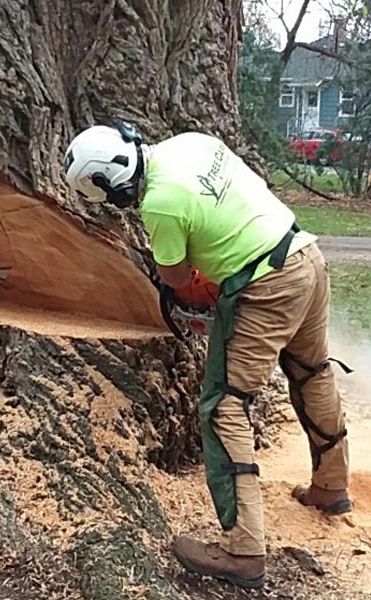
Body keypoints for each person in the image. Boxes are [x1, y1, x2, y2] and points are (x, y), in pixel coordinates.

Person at [63, 122, 351, 589]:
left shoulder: (159, 203)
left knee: (225, 408)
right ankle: (331, 487)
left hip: (266, 286)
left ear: (109, 185)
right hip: (305, 257)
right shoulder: (190, 143)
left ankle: (244, 552)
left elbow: (176, 279)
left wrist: (193, 282)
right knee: (311, 372)